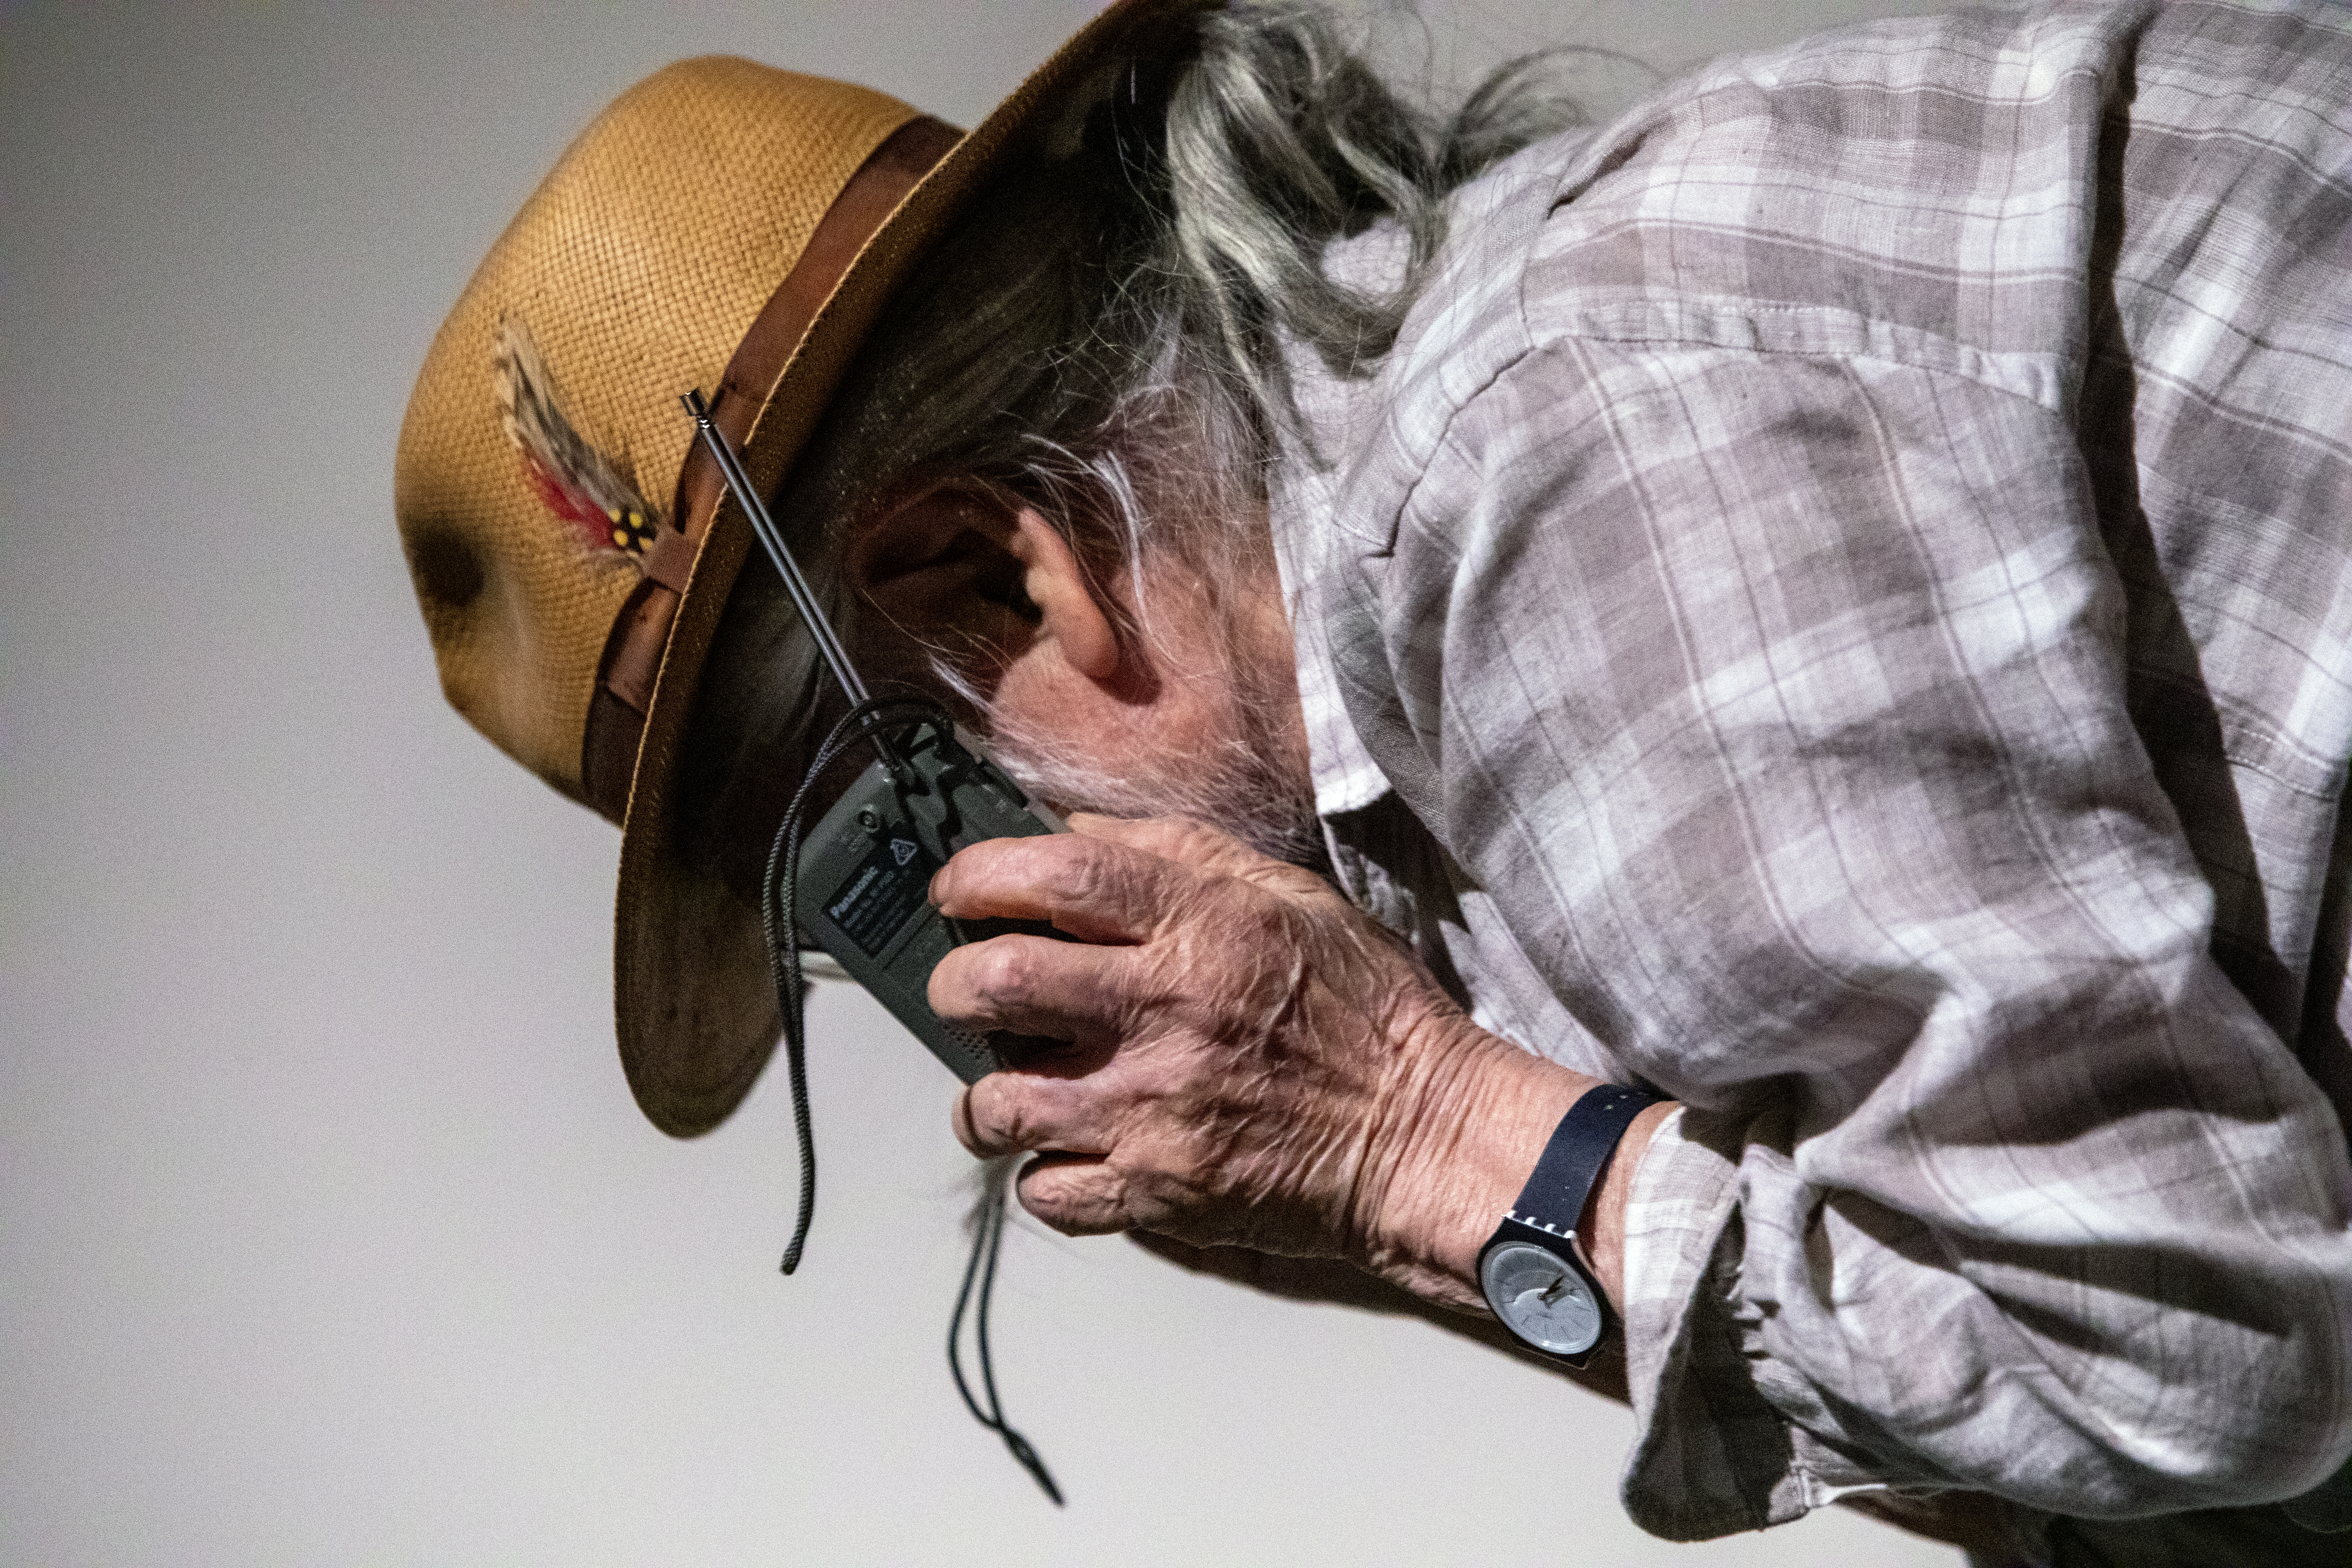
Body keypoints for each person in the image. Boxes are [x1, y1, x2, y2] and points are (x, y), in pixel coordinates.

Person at [394, 0, 2352, 1561]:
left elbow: (2189, 1362)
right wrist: (1460, 1242)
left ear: (1000, 578)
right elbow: (2181, 1495)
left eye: (874, 842)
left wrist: (1426, 1142)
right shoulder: (1470, 559)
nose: (952, 957)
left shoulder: (1538, 477)